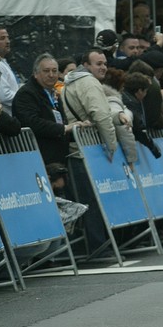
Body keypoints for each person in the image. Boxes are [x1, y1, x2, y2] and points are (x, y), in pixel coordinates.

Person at [62, 48, 117, 255]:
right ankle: (99, 245)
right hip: (89, 149)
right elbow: (102, 116)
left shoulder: (70, 83)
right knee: (93, 200)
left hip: (80, 149)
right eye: (98, 64)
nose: (103, 67)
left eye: (104, 63)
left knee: (86, 200)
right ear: (86, 65)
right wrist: (111, 146)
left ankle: (93, 244)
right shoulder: (89, 82)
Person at [12, 53, 84, 166]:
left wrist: (79, 129)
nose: (51, 75)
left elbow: (60, 122)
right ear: (36, 74)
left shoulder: (53, 93)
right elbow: (32, 122)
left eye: (54, 71)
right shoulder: (26, 94)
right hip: (39, 159)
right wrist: (63, 128)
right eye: (46, 71)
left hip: (59, 158)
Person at [0, 27, 19, 115]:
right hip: (3, 120)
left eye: (8, 37)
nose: (7, 41)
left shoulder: (2, 62)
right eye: (2, 38)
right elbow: (3, 96)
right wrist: (26, 98)